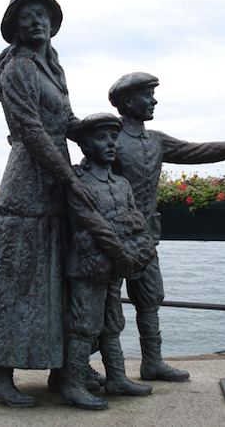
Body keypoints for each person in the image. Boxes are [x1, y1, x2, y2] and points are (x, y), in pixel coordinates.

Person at [108, 72, 225, 382]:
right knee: (105, 307)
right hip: (109, 237)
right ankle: (108, 372)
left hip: (145, 236)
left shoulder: (155, 140)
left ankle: (152, 363)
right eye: (148, 94)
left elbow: (195, 151)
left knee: (150, 299)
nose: (154, 100)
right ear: (128, 101)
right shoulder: (108, 137)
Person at [0, 0, 95, 408]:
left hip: (55, 180)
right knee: (17, 280)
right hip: (29, 184)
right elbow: (30, 130)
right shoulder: (19, 68)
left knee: (58, 277)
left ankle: (63, 369)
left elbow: (68, 123)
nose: (36, 22)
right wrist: (69, 178)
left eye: (43, 15)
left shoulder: (54, 70)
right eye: (27, 17)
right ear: (15, 27)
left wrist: (110, 132)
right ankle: (0, 376)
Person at [62, 113, 154, 410]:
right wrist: (122, 250)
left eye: (113, 137)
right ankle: (73, 385)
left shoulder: (122, 182)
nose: (111, 143)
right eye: (102, 138)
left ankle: (117, 378)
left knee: (113, 323)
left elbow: (135, 219)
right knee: (84, 326)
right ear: (85, 145)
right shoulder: (77, 181)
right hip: (89, 267)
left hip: (115, 266)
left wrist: (125, 249)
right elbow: (93, 224)